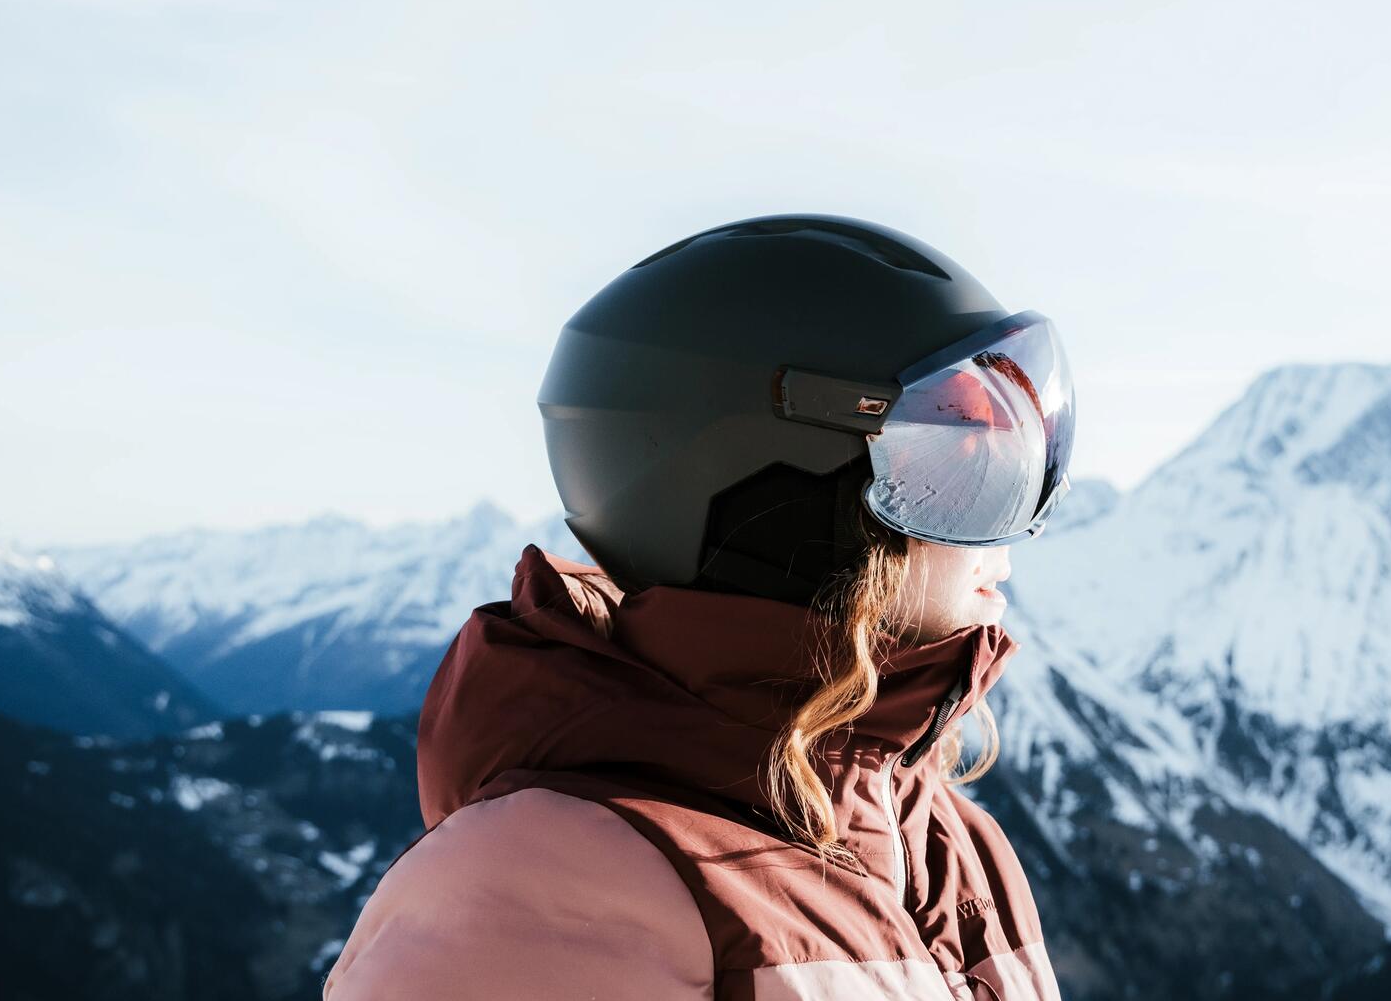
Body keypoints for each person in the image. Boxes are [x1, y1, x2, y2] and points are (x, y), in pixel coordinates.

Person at [322, 213, 1075, 1000]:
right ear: (797, 497)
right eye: (955, 468)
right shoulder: (541, 891)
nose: (1010, 538)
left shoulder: (952, 844)